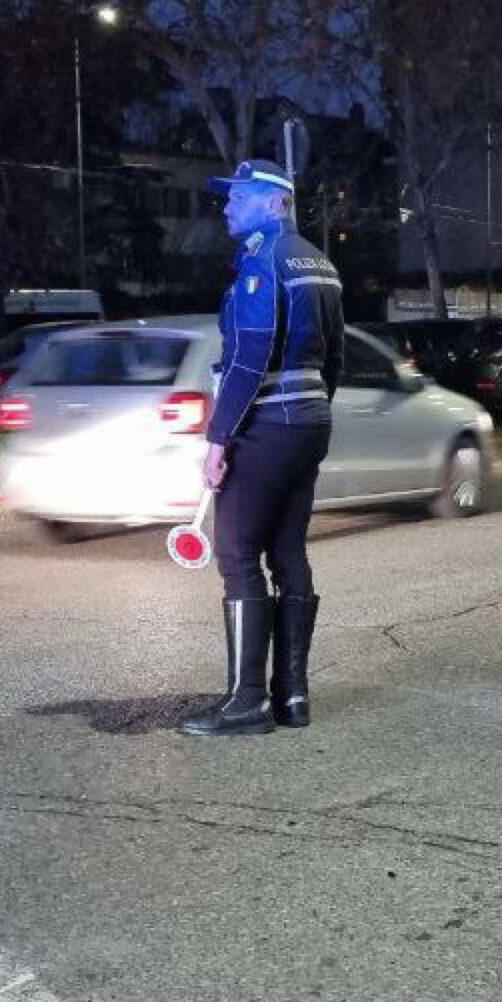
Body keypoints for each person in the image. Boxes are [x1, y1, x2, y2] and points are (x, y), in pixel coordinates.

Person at [180, 159, 344, 738]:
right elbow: (337, 357)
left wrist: (219, 438)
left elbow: (250, 356)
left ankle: (246, 702)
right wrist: (309, 414)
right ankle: (292, 697)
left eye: (239, 197)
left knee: (238, 553)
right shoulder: (320, 263)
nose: (228, 206)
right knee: (288, 551)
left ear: (275, 203)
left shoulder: (262, 261)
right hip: (308, 422)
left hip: (267, 423)